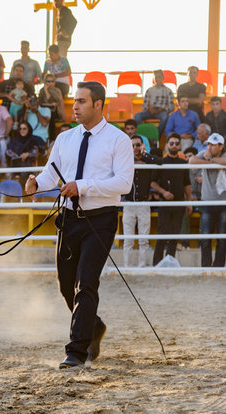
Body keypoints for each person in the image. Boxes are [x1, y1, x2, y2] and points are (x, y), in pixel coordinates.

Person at [25, 81, 134, 369]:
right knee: (66, 287)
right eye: (75, 100)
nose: (75, 106)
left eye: (82, 101)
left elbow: (124, 183)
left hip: (101, 219)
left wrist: (82, 187)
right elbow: (52, 173)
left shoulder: (118, 140)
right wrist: (36, 183)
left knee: (85, 284)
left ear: (99, 105)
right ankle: (94, 326)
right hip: (69, 218)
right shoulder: (65, 139)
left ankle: (76, 351)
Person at [150, 133, 193, 265]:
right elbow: (152, 183)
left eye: (176, 143)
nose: (174, 146)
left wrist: (189, 202)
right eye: (171, 143)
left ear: (180, 145)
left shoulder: (183, 163)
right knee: (163, 233)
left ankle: (170, 263)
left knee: (174, 235)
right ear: (167, 145)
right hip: (165, 203)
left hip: (179, 203)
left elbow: (187, 183)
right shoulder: (161, 162)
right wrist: (164, 192)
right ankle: (156, 264)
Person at [122, 135, 162, 267]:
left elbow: (160, 161)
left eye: (137, 145)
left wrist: (145, 155)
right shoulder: (125, 159)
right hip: (128, 203)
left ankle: (142, 266)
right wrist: (134, 163)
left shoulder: (148, 159)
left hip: (143, 204)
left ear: (142, 145)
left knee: (143, 239)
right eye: (132, 145)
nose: (135, 148)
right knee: (128, 239)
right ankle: (127, 267)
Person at [189, 133, 226, 267]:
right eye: (209, 144)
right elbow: (192, 161)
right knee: (205, 238)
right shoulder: (205, 153)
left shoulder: (218, 156)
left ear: (221, 147)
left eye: (213, 145)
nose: (210, 147)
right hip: (207, 202)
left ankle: (218, 266)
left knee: (222, 239)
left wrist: (211, 161)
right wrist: (209, 161)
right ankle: (206, 266)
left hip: (223, 203)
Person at [134, 70, 175, 138]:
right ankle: (143, 136)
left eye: (159, 77)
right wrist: (149, 109)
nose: (157, 79)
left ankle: (156, 137)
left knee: (165, 117)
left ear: (162, 78)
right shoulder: (149, 90)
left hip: (162, 112)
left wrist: (162, 109)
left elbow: (171, 107)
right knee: (137, 116)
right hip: (150, 112)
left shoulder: (168, 91)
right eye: (156, 77)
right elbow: (144, 105)